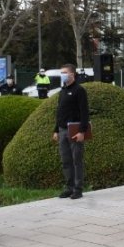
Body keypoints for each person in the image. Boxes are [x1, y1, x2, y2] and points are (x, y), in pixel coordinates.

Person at [52, 63, 90, 199]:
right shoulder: (62, 91)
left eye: (64, 72)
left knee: (76, 160)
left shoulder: (79, 90)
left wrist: (82, 131)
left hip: (74, 130)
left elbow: (84, 112)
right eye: (61, 72)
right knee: (66, 161)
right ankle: (69, 187)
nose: (62, 74)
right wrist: (56, 130)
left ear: (72, 74)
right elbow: (59, 112)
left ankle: (78, 189)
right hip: (62, 130)